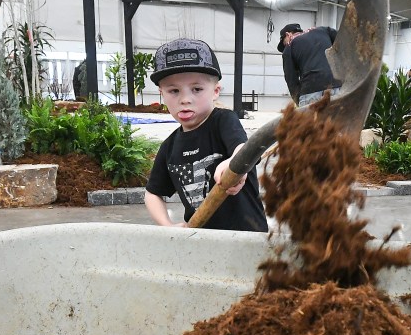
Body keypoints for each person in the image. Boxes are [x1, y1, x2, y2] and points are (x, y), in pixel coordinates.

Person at [144, 38, 267, 232]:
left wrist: (234, 164)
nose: (185, 99)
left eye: (197, 89)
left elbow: (244, 149)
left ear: (215, 91)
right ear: (162, 94)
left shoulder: (223, 121)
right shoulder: (169, 146)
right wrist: (167, 226)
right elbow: (152, 194)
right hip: (201, 244)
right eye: (174, 90)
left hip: (246, 239)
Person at [278, 22, 342, 107]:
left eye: (284, 42)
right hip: (336, 86)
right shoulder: (323, 30)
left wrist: (299, 102)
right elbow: (343, 39)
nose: (285, 45)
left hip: (311, 91)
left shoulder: (289, 47)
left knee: (313, 120)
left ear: (288, 34)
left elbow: (291, 81)